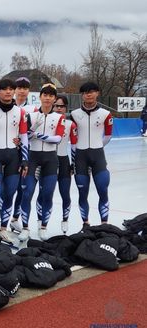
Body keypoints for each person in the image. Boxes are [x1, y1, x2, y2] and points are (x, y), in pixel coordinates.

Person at [0, 79, 29, 246]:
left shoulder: (21, 112)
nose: (8, 92)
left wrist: (25, 159)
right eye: (5, 89)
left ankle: (3, 229)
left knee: (9, 195)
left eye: (11, 89)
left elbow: (23, 136)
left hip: (13, 159)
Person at [17, 84, 65, 242]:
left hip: (51, 160)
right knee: (27, 193)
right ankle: (25, 227)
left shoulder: (59, 117)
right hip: (33, 158)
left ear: (54, 99)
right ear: (40, 96)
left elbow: (57, 139)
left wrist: (36, 134)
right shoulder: (30, 115)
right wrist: (33, 133)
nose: (48, 98)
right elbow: (25, 138)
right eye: (45, 95)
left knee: (47, 194)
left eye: (51, 96)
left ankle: (43, 226)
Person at [70, 81, 113, 228]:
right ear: (82, 95)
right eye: (85, 92)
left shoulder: (106, 114)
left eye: (92, 91)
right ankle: (85, 224)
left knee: (103, 190)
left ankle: (104, 224)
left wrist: (97, 146)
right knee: (82, 194)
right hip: (80, 158)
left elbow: (107, 136)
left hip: (98, 156)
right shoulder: (74, 114)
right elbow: (71, 138)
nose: (89, 94)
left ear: (97, 93)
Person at [9, 77, 38, 232]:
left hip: (24, 151)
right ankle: (2, 222)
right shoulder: (5, 104)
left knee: (22, 186)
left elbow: (33, 133)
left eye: (25, 88)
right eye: (19, 87)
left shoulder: (33, 109)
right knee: (7, 187)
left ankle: (15, 218)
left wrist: (22, 139)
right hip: (6, 151)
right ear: (15, 90)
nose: (22, 90)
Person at [50, 94, 78, 234]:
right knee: (45, 195)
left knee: (65, 194)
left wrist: (73, 164)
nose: (59, 108)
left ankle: (65, 219)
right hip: (47, 161)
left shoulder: (70, 124)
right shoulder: (45, 120)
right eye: (56, 105)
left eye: (62, 106)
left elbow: (74, 145)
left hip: (63, 161)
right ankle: (41, 223)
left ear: (66, 108)